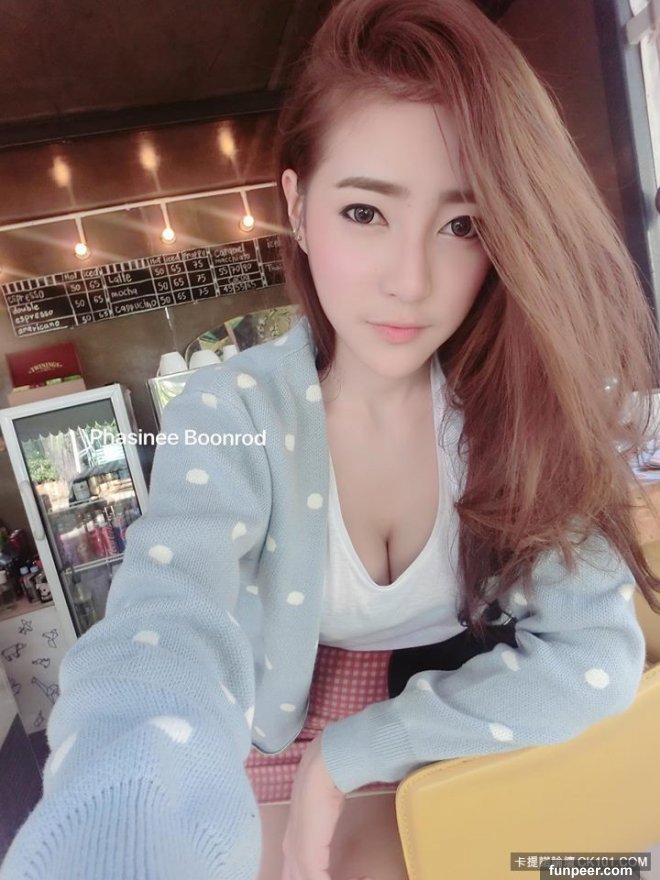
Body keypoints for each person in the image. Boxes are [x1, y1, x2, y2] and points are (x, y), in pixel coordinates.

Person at [3, 0, 660, 878]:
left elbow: (595, 660)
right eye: (364, 212)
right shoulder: (235, 412)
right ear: (298, 207)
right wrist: (118, 822)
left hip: (450, 714)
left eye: (462, 224)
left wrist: (358, 749)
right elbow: (166, 626)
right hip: (269, 720)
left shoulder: (519, 408)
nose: (410, 281)